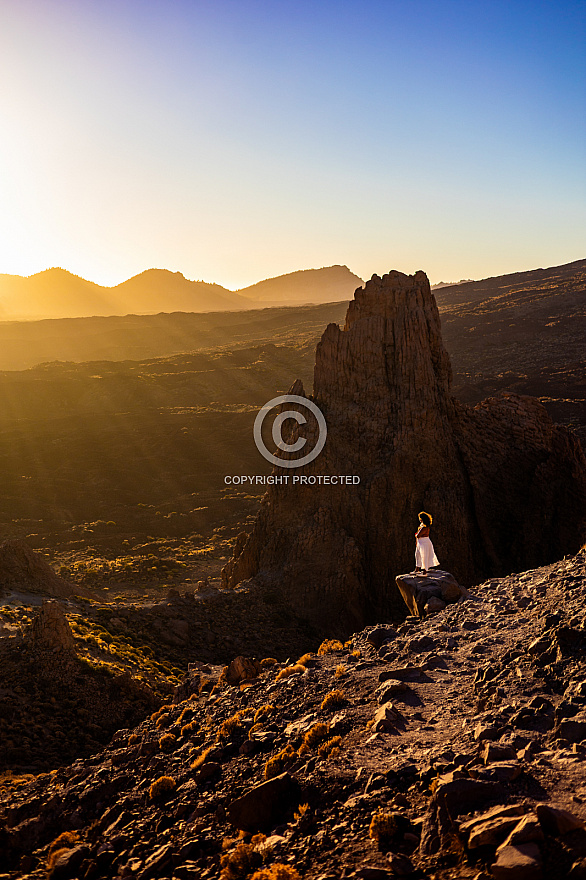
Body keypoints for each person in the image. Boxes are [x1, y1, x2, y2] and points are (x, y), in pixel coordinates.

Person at [412, 511, 439, 576]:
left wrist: (416, 535)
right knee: (418, 555)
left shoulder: (424, 527)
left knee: (424, 556)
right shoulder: (422, 526)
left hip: (424, 543)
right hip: (421, 543)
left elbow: (418, 535)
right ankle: (417, 570)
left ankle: (424, 572)